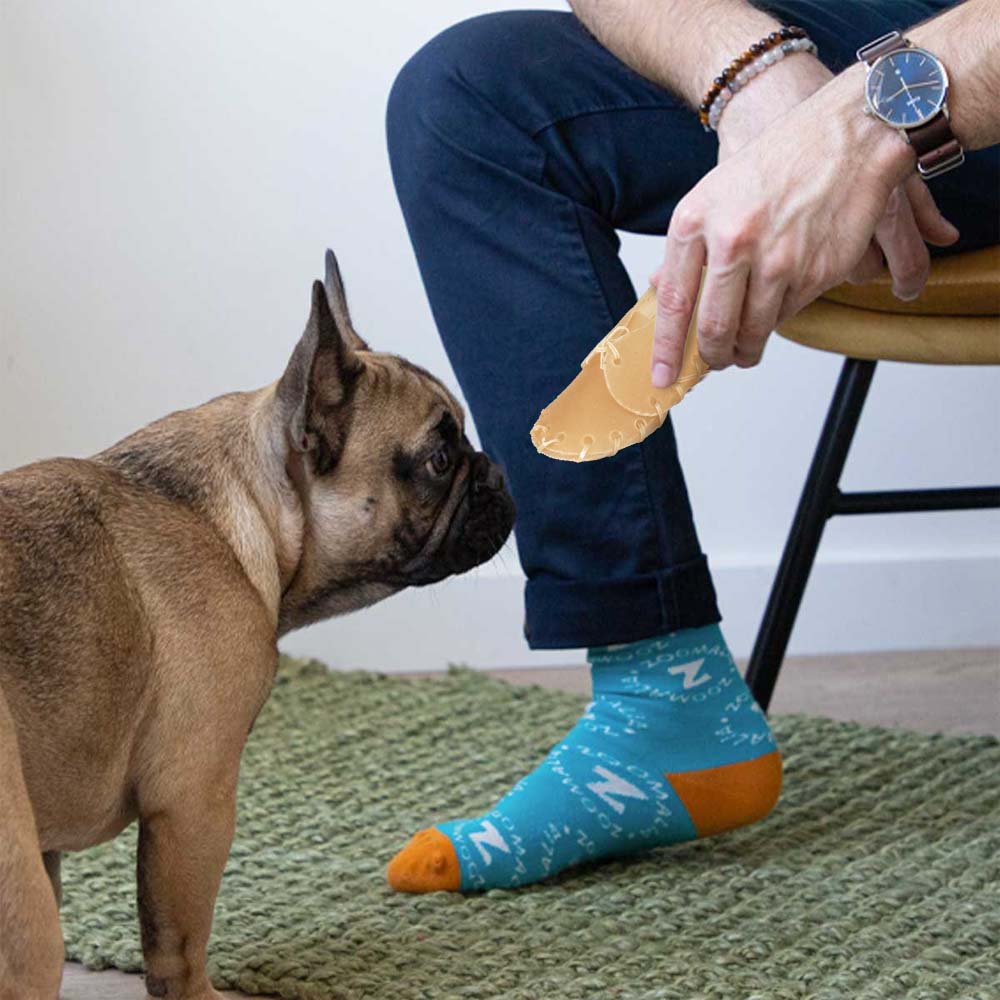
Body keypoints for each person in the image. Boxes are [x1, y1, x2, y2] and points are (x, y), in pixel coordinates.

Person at [383, 0, 1000, 893]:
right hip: (859, 51)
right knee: (467, 97)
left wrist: (860, 116)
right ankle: (661, 695)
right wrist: (752, 70)